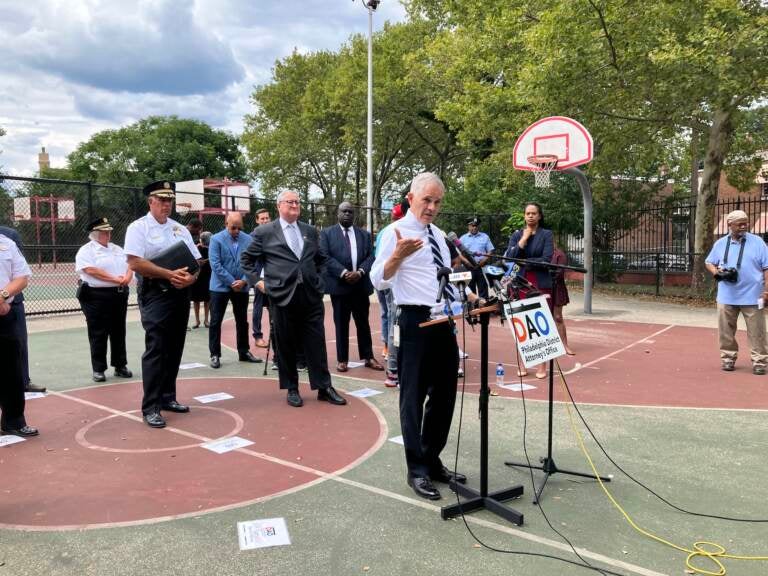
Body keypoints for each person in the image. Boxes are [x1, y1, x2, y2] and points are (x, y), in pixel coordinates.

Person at [371, 172, 466, 501]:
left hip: (442, 321)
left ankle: (431, 457)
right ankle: (416, 470)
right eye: (427, 199)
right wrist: (396, 257)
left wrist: (463, 300)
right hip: (413, 321)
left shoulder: (438, 234)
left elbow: (441, 277)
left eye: (438, 202)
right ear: (411, 198)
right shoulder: (394, 232)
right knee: (411, 398)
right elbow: (378, 280)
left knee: (445, 395)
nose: (432, 207)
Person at [240, 189, 346, 408]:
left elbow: (321, 259)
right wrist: (259, 284)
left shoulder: (309, 230)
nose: (295, 205)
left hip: (310, 295)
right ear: (279, 205)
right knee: (285, 343)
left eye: (297, 202)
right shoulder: (265, 232)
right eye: (290, 202)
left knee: (316, 343)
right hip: (281, 296)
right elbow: (247, 258)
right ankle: (292, 388)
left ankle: (324, 386)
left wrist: (320, 281)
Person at [124, 180, 201, 428]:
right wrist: (168, 274)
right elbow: (135, 263)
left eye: (170, 200)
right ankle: (151, 406)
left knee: (175, 346)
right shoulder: (138, 228)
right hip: (155, 292)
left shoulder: (180, 228)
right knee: (157, 347)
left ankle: (168, 397)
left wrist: (191, 278)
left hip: (179, 293)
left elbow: (197, 262)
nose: (167, 205)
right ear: (151, 202)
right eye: (162, 200)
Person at [320, 202, 384, 373]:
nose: (347, 214)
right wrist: (343, 273)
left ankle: (368, 357)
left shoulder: (364, 234)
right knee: (341, 323)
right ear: (338, 213)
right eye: (344, 211)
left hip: (360, 285)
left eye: (350, 212)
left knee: (363, 323)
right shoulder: (327, 234)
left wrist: (360, 272)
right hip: (340, 287)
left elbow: (372, 256)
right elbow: (325, 257)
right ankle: (342, 359)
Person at [705, 209, 768, 375]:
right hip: (726, 296)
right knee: (725, 331)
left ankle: (759, 361)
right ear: (729, 225)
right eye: (740, 223)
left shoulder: (758, 242)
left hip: (753, 296)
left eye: (745, 223)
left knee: (757, 331)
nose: (744, 226)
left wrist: (766, 291)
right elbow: (709, 262)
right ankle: (728, 358)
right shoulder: (720, 244)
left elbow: (766, 268)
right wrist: (716, 273)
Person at [75, 217, 134, 382]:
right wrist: (116, 279)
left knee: (118, 330)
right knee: (98, 332)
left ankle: (120, 365)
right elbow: (91, 270)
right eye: (104, 232)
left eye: (109, 231)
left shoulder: (116, 248)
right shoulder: (86, 250)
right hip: (95, 296)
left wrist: (127, 278)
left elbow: (130, 263)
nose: (108, 234)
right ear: (95, 234)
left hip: (119, 293)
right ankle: (99, 369)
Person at [505, 202, 554, 379]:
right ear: (524, 216)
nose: (530, 216)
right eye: (527, 213)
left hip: (539, 282)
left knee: (541, 324)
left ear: (539, 216)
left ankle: (542, 366)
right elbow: (509, 258)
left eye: (534, 213)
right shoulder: (517, 235)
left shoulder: (546, 234)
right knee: (522, 323)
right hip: (520, 282)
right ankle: (524, 362)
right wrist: (523, 240)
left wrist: (525, 261)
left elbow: (546, 259)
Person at [208, 212, 261, 368]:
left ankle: (243, 352)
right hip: (220, 287)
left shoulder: (248, 239)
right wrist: (232, 282)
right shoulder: (216, 239)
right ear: (226, 224)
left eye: (239, 228)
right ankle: (215, 354)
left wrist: (244, 281)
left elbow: (252, 263)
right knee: (216, 321)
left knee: (242, 321)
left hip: (242, 287)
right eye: (233, 228)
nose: (237, 231)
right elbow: (215, 265)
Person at [0, 230, 38, 437]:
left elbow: (22, 278)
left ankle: (13, 421)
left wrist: (3, 296)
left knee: (12, 371)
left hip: (5, 315)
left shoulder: (6, 242)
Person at [0, 225, 44, 393]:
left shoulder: (9, 236)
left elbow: (20, 272)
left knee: (18, 345)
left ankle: (23, 381)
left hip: (12, 302)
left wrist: (4, 296)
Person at [250, 208, 271, 348]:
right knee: (258, 307)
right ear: (257, 220)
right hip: (259, 278)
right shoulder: (252, 236)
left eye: (267, 218)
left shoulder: (275, 233)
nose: (265, 221)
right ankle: (258, 336)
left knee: (273, 308)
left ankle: (276, 334)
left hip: (274, 277)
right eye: (262, 218)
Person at [459, 217, 494, 299]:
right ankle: (474, 310)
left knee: (483, 291)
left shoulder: (485, 236)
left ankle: (484, 311)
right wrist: (466, 262)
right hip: (468, 268)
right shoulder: (463, 238)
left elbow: (490, 251)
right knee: (470, 292)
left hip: (481, 267)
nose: (474, 227)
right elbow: (458, 254)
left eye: (476, 225)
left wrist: (484, 260)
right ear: (468, 226)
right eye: (472, 225)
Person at [551, 239, 575, 356]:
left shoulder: (560, 255)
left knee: (558, 317)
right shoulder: (539, 254)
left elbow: (559, 273)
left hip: (556, 288)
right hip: (541, 288)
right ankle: (548, 345)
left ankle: (564, 345)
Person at [190, 230, 211, 328]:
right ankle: (198, 321)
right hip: (197, 276)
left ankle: (206, 320)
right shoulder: (196, 248)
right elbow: (196, 260)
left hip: (207, 275)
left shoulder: (212, 249)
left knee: (207, 299)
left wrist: (205, 261)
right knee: (196, 299)